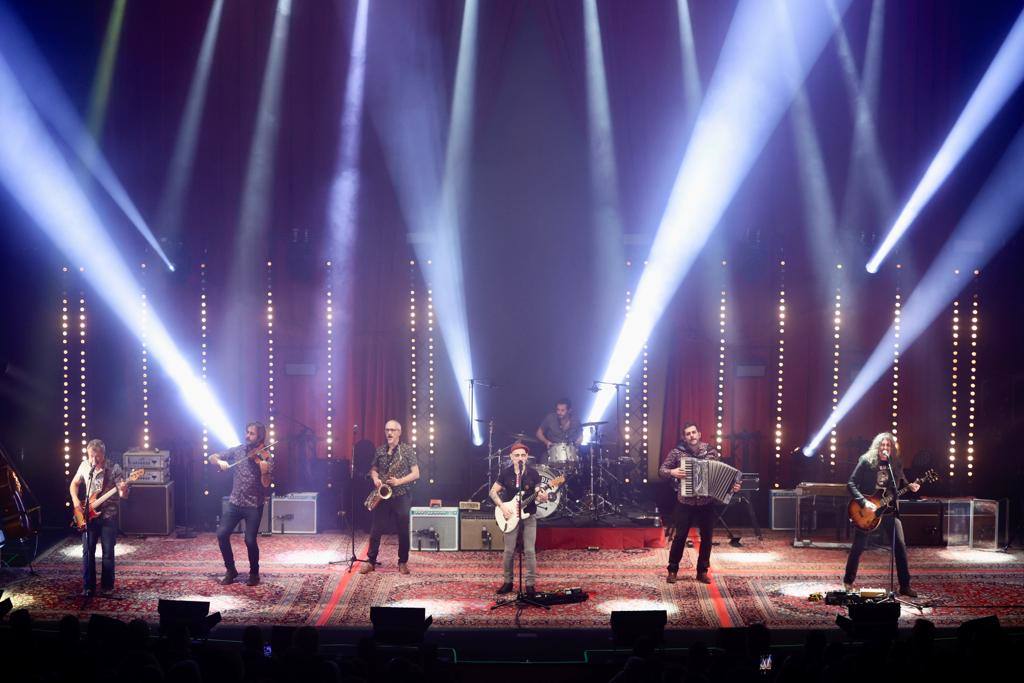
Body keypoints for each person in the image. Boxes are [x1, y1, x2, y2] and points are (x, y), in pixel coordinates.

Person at [659, 422, 741, 584]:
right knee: (680, 537)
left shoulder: (711, 452)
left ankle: (702, 571)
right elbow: (662, 471)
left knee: (707, 538)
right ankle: (673, 569)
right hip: (685, 502)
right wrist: (673, 472)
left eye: (694, 432)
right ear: (684, 437)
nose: (692, 436)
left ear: (699, 434)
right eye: (688, 433)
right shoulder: (677, 452)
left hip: (706, 502)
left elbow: (720, 474)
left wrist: (733, 486)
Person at [843, 432, 920, 596]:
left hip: (889, 511)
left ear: (892, 448)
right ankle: (848, 581)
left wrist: (911, 486)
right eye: (882, 445)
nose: (885, 448)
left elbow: (902, 484)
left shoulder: (895, 465)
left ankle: (905, 585)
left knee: (900, 545)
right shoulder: (866, 461)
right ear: (877, 447)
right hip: (868, 511)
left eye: (888, 445)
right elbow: (850, 483)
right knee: (858, 547)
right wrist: (864, 502)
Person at [211, 422, 272, 586]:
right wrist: (219, 462)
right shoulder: (238, 450)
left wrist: (264, 470)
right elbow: (212, 457)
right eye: (247, 432)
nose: (247, 436)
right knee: (222, 534)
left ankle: (254, 573)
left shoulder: (265, 456)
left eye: (251, 433)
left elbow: (266, 484)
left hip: (253, 505)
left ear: (260, 437)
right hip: (235, 503)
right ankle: (231, 570)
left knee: (250, 540)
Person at [69, 439, 129, 597]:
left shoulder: (114, 469)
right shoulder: (84, 465)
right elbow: (74, 484)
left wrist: (124, 489)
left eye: (97, 457)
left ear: (103, 454)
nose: (93, 460)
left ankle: (107, 587)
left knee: (108, 552)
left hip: (108, 516)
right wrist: (76, 502)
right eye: (91, 456)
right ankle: (88, 586)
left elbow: (123, 495)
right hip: (88, 515)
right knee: (87, 551)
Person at [360, 420, 419, 574]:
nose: (389, 433)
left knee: (403, 530)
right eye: (387, 430)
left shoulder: (407, 451)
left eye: (393, 430)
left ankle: (403, 562)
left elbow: (416, 474)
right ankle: (371, 560)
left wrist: (399, 481)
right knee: (376, 529)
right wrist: (375, 478)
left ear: (399, 432)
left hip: (401, 494)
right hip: (384, 494)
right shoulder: (380, 451)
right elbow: (373, 469)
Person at [489, 442, 549, 595]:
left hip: (528, 515)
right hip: (510, 515)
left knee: (529, 551)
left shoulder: (533, 474)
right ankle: (508, 582)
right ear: (511, 457)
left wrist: (542, 496)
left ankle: (530, 585)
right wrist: (502, 507)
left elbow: (537, 492)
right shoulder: (506, 473)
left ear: (527, 457)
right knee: (508, 551)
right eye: (517, 455)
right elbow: (492, 492)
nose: (520, 458)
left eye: (523, 455)